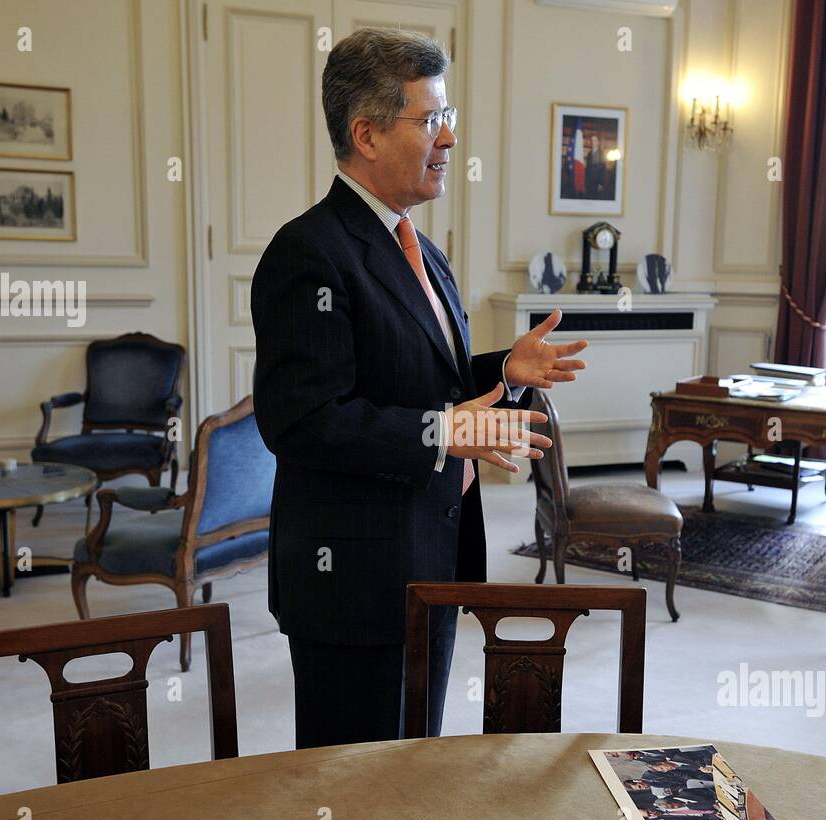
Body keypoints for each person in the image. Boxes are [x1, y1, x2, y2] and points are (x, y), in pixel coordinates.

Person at [251, 28, 590, 749]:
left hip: (429, 562)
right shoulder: (307, 252)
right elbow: (303, 419)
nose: (450, 137)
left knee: (413, 772)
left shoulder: (422, 249)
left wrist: (500, 372)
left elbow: (415, 378)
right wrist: (444, 432)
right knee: (357, 792)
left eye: (449, 115)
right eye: (430, 119)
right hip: (353, 582)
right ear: (366, 134)